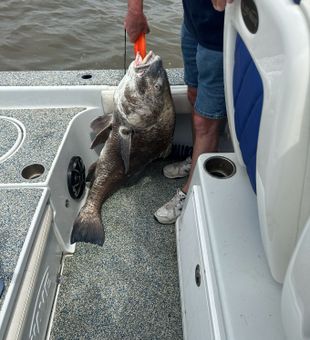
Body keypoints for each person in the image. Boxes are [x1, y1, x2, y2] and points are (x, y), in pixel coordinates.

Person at [125, 0, 233, 224]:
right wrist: (135, 11)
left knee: (206, 122)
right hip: (193, 21)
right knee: (193, 95)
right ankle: (196, 161)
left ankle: (192, 190)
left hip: (220, 36)